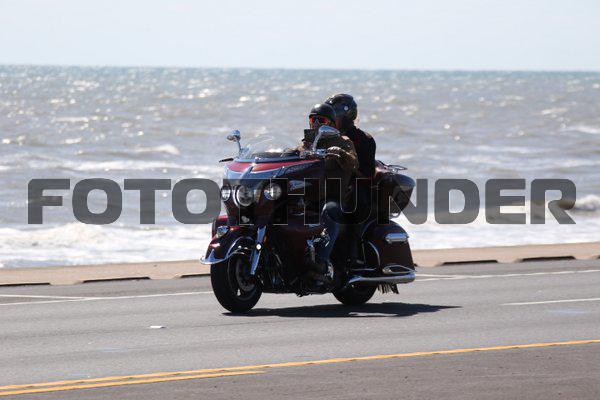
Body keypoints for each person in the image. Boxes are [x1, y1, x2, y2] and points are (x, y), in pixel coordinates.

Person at [301, 103, 358, 281]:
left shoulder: (343, 141)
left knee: (330, 211)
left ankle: (321, 262)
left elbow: (354, 163)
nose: (317, 124)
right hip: (308, 196)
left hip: (332, 197)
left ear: (332, 124)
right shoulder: (307, 143)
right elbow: (292, 155)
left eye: (322, 120)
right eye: (313, 120)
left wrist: (340, 153)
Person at [325, 94, 377, 264]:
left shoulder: (364, 139)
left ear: (348, 116)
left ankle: (352, 249)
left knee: (357, 198)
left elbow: (367, 172)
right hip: (331, 181)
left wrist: (347, 169)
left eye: (335, 116)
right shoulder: (325, 137)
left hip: (355, 184)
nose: (332, 120)